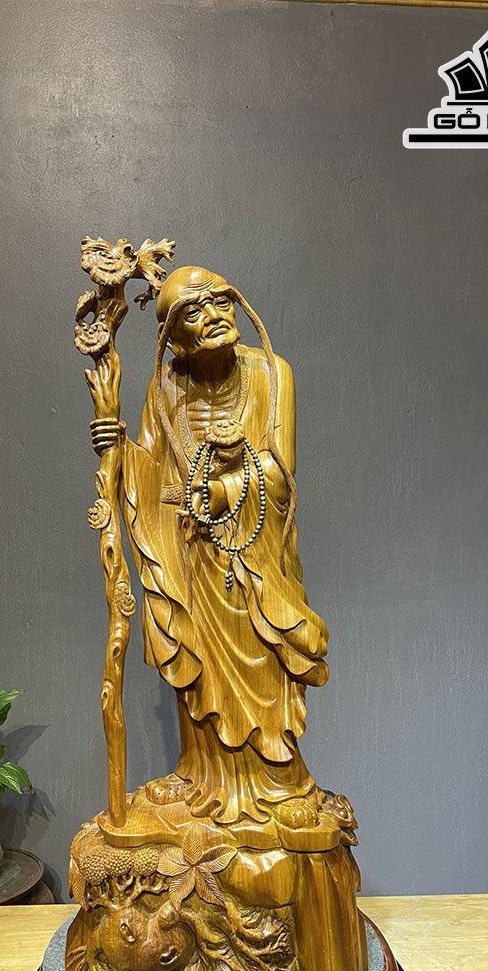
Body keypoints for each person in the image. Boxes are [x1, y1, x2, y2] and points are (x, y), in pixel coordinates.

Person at [91, 266, 329, 826]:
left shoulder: (272, 374)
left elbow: (281, 472)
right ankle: (204, 773)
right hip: (191, 552)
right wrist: (116, 443)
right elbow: (152, 467)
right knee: (194, 654)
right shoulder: (165, 386)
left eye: (221, 301)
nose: (214, 315)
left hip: (254, 553)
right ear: (173, 338)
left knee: (263, 656)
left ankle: (277, 784)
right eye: (193, 312)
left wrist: (224, 488)